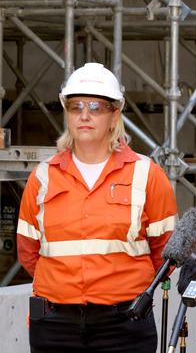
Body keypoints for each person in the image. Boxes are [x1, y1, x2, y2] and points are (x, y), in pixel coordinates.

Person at [16, 62, 178, 353]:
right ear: (66, 113)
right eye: (76, 106)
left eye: (95, 107)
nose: (85, 115)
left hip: (125, 324)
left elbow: (165, 254)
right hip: (55, 326)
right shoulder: (42, 177)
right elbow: (28, 251)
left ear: (115, 114)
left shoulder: (147, 175)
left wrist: (118, 286)